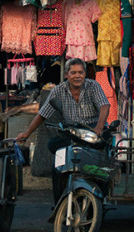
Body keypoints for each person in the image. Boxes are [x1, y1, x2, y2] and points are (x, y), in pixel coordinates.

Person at [15, 57, 110, 200]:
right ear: (66, 74)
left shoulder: (93, 86)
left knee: (100, 165)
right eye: (73, 73)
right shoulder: (58, 91)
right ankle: (58, 200)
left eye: (80, 72)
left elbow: (104, 106)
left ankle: (102, 197)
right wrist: (27, 133)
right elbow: (42, 115)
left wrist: (99, 126)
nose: (77, 76)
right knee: (58, 163)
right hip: (72, 133)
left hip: (92, 132)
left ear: (85, 74)